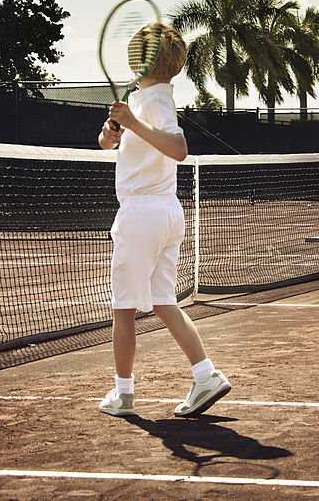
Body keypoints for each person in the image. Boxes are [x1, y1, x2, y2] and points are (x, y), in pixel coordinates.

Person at [97, 22, 231, 417]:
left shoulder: (154, 102)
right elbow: (107, 144)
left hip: (143, 213)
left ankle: (123, 394)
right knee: (162, 302)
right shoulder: (142, 101)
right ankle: (206, 375)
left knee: (124, 307)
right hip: (166, 212)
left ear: (141, 60)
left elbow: (178, 148)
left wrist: (134, 123)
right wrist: (113, 133)